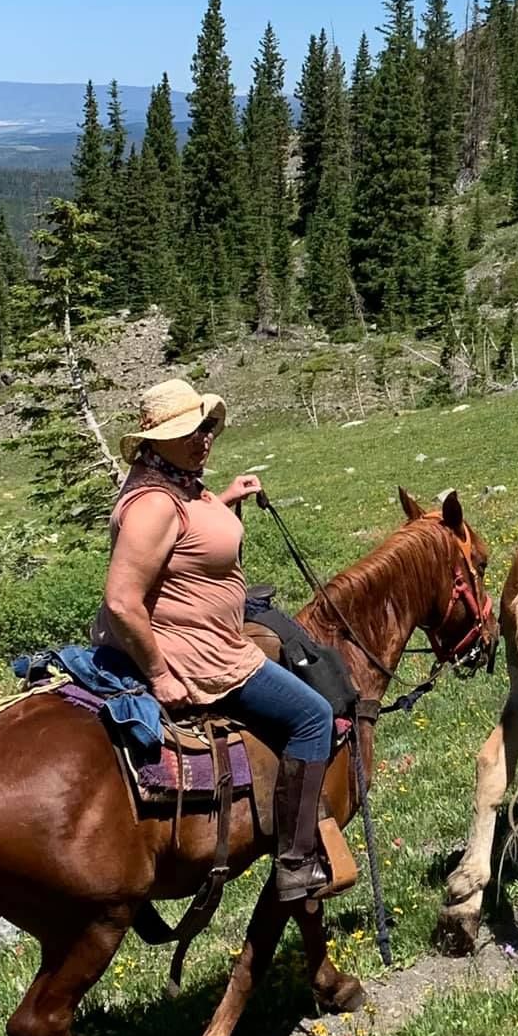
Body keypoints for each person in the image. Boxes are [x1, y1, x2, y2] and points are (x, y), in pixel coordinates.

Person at [94, 378, 336, 901]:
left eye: (205, 426)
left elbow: (186, 539)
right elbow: (121, 601)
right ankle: (297, 863)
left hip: (205, 638)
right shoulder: (154, 503)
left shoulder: (179, 483)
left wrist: (223, 500)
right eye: (189, 431)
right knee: (313, 715)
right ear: (154, 440)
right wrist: (159, 674)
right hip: (197, 655)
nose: (203, 438)